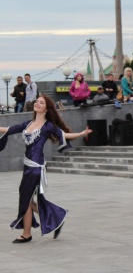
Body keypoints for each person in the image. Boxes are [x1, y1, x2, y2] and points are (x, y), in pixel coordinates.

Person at [0, 95, 92, 243]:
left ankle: (27, 233)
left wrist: (81, 134)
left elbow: (63, 134)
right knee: (28, 200)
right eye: (37, 101)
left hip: (36, 167)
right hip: (27, 166)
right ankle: (55, 217)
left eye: (41, 102)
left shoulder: (48, 125)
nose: (37, 103)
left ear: (46, 109)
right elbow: (8, 129)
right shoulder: (28, 123)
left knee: (26, 199)